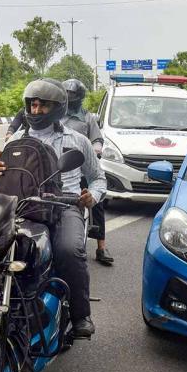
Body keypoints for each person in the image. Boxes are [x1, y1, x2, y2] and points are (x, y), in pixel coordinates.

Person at [0, 78, 106, 338]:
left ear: (57, 108)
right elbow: (3, 176)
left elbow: (98, 178)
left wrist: (92, 196)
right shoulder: (15, 141)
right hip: (26, 205)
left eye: (42, 106)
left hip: (65, 203)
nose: (35, 111)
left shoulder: (78, 141)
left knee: (68, 249)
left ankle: (81, 315)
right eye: (32, 105)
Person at [61, 79, 113, 265]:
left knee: (97, 201)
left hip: (82, 168)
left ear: (80, 97)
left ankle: (101, 247)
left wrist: (95, 149)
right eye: (66, 93)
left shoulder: (87, 117)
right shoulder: (57, 115)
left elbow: (97, 139)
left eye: (72, 94)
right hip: (60, 171)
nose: (68, 97)